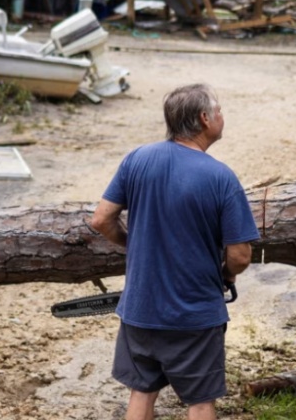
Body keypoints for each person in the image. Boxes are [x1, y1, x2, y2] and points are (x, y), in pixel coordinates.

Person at [88, 84, 259, 420]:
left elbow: (101, 219)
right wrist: (225, 275)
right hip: (194, 315)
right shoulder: (221, 177)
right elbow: (240, 256)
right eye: (220, 110)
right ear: (205, 118)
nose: (223, 116)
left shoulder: (137, 159)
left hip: (140, 309)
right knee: (200, 401)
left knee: (142, 391)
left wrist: (131, 242)